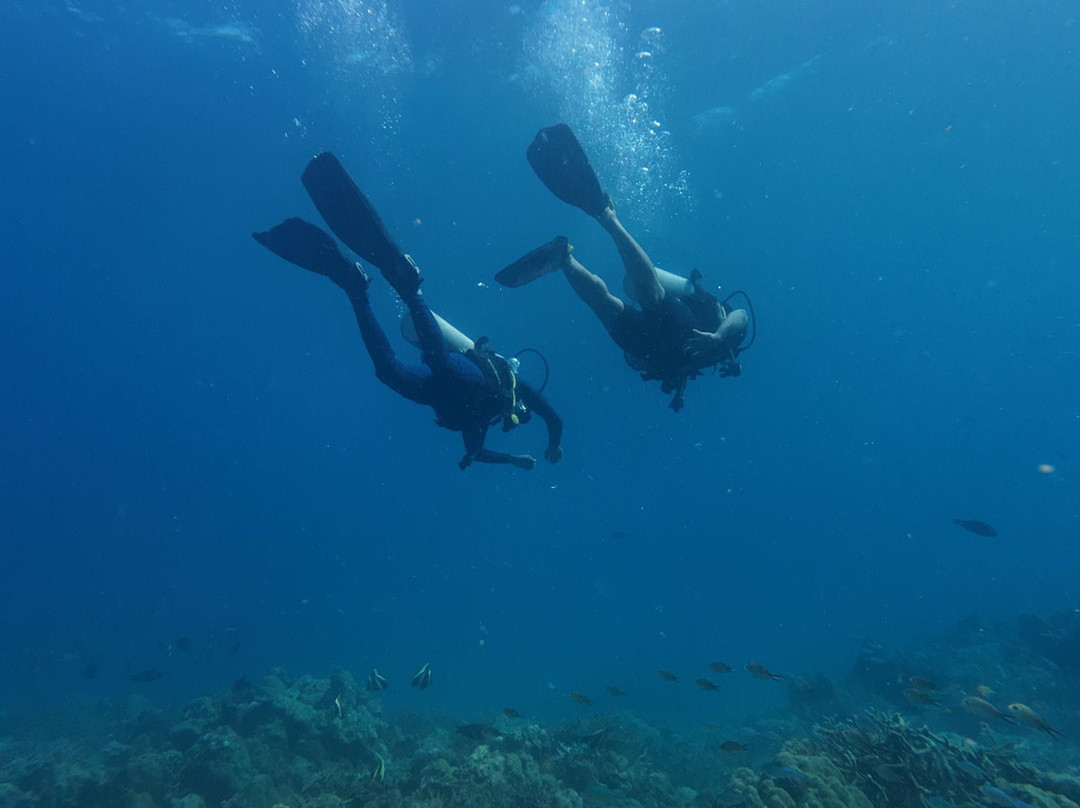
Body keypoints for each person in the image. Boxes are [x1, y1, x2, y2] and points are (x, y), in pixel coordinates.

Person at [254, 152, 563, 470]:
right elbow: (554, 417)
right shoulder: (514, 385)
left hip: (444, 395)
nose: (519, 417)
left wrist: (513, 460)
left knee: (389, 374)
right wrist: (553, 443)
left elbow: (475, 453)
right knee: (437, 360)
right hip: (470, 378)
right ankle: (410, 290)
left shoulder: (480, 426)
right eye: (524, 415)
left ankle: (355, 290)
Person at [497, 124, 753, 412]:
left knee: (606, 309)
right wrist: (718, 338)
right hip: (684, 327)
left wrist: (676, 386)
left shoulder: (715, 358)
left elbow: (681, 364)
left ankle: (563, 259)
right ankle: (605, 215)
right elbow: (742, 316)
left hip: (653, 348)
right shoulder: (729, 337)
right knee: (651, 297)